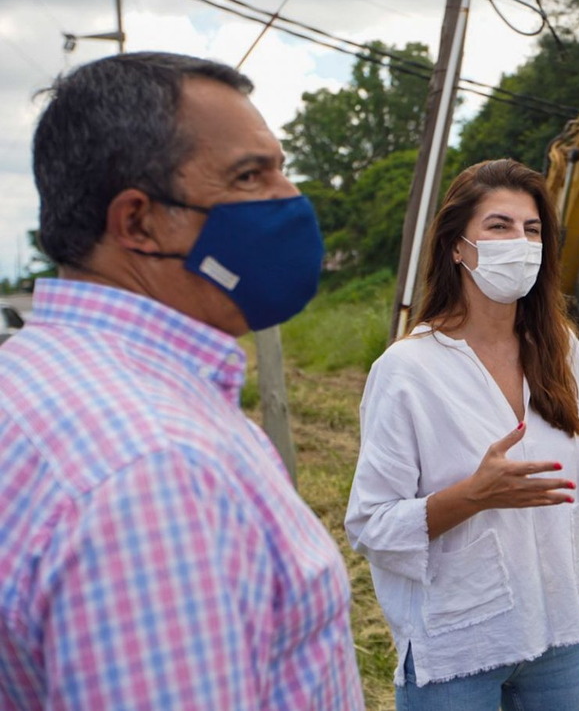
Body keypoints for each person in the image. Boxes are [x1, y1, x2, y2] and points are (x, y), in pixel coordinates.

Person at [0, 53, 364, 708]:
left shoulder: (30, 380)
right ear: (138, 221)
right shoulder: (156, 469)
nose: (292, 200)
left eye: (282, 168)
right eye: (250, 177)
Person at [344, 159, 579, 710]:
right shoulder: (407, 369)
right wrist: (473, 496)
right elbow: (369, 525)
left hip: (556, 632)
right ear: (456, 246)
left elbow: (570, 488)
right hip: (457, 643)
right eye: (499, 226)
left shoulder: (562, 350)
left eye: (532, 230)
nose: (520, 242)